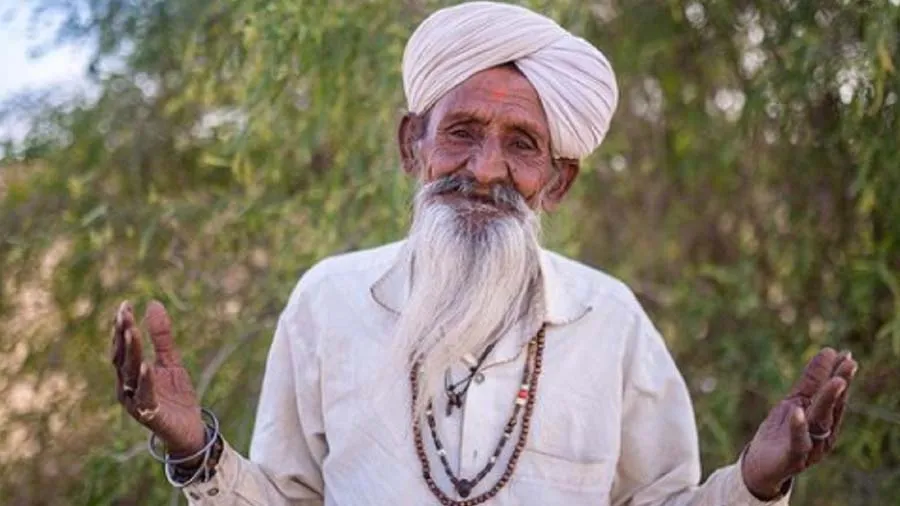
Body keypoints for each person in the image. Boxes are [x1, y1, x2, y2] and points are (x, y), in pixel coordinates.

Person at [110, 2, 859, 505]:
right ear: (413, 145)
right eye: (462, 132)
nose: (485, 169)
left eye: (522, 145)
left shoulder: (610, 320)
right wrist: (197, 451)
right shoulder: (328, 302)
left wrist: (753, 486)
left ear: (557, 181)